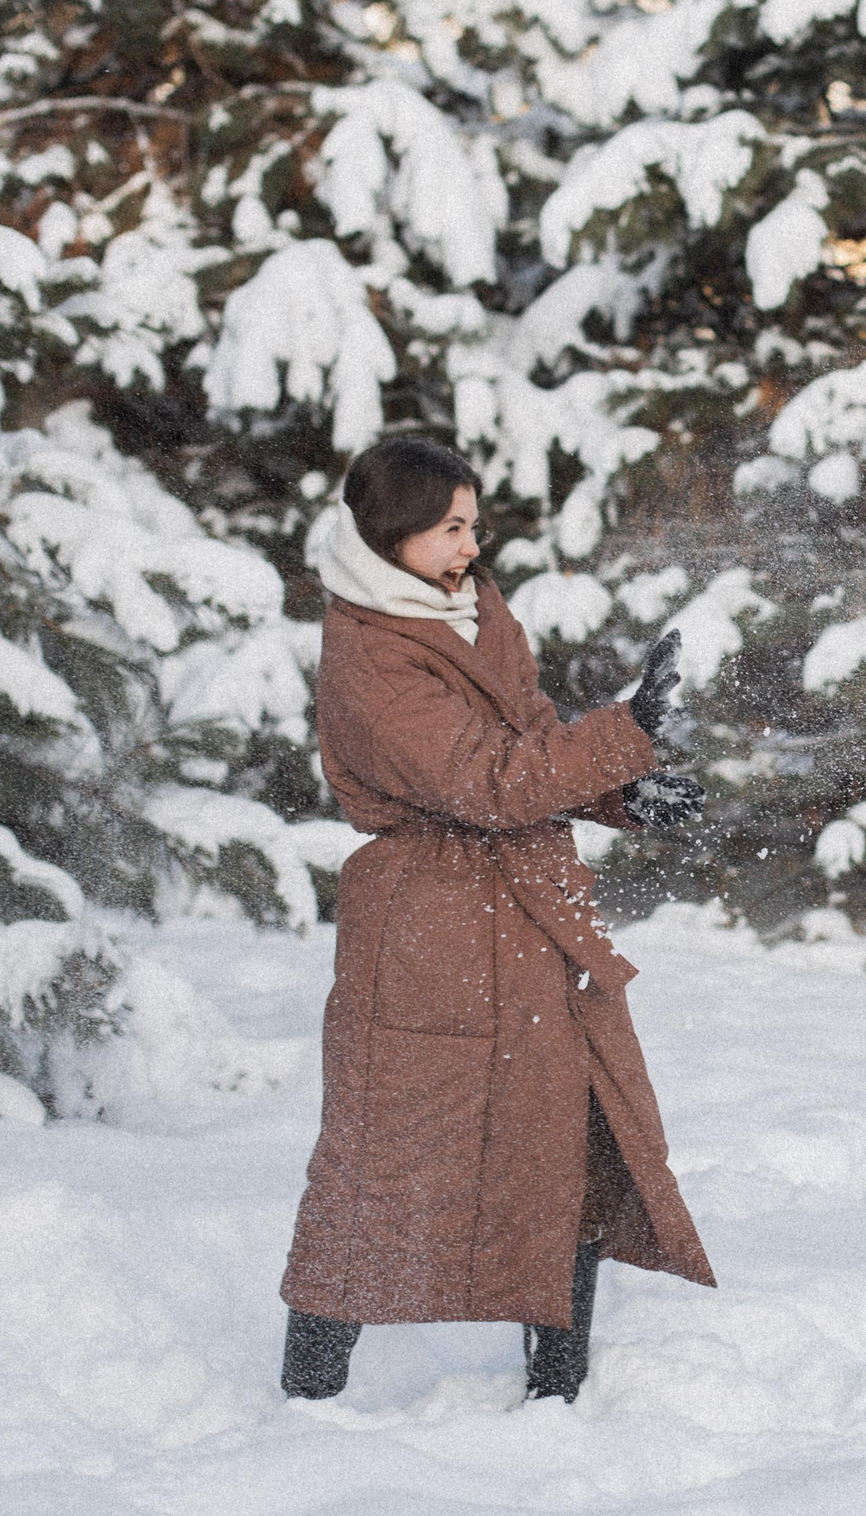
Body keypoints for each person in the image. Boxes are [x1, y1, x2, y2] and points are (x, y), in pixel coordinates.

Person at [277, 437, 715, 1406]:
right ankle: (306, 1398)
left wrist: (621, 794)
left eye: (473, 524)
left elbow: (525, 749)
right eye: (450, 528)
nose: (471, 546)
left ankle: (558, 1392)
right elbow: (482, 781)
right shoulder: (369, 652)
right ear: (389, 536)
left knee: (567, 1143)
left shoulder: (471, 608)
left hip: (525, 917)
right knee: (382, 1166)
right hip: (430, 934)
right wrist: (626, 731)